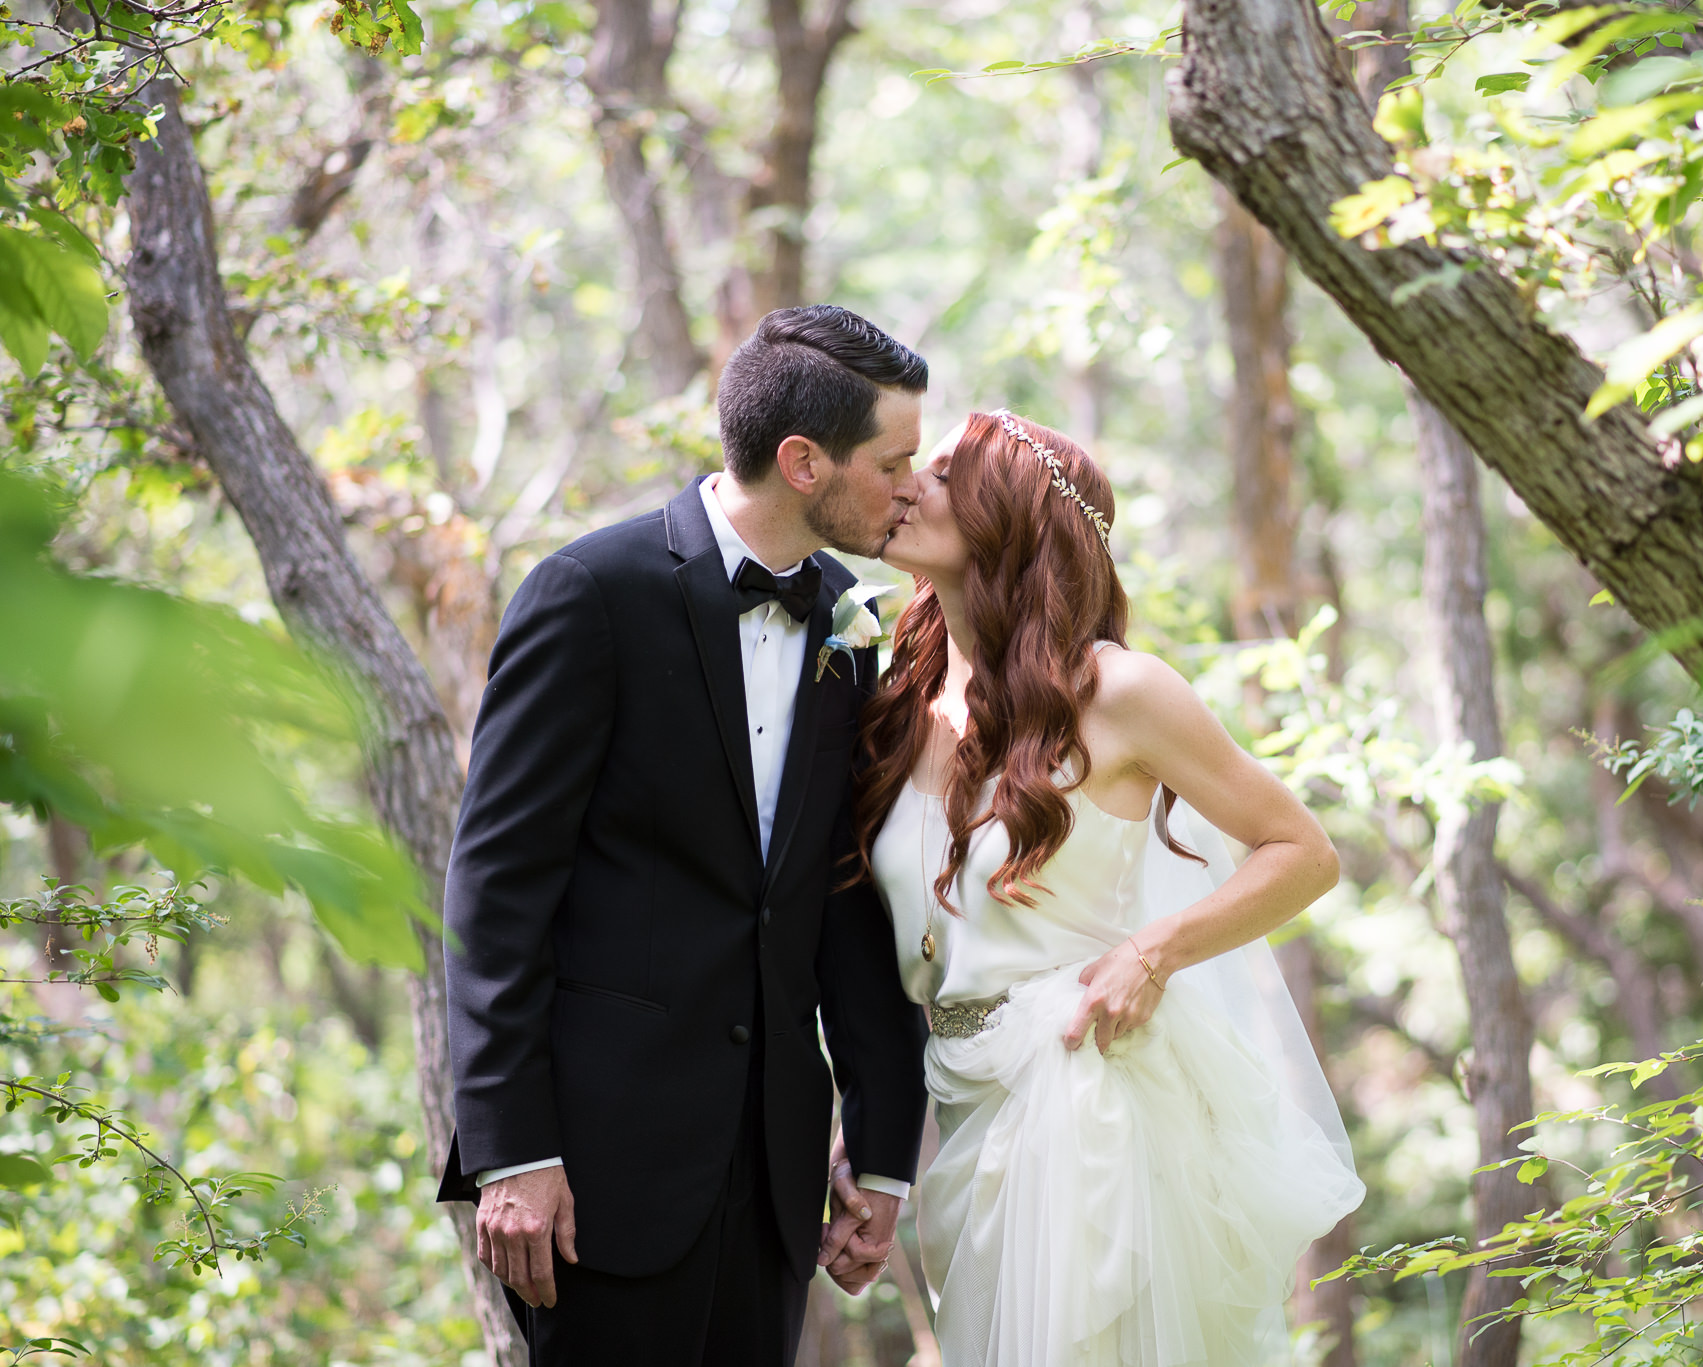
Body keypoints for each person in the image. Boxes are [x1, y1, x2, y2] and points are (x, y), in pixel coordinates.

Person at [437, 305, 932, 1364]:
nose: (909, 487)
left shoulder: (852, 624)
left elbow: (845, 901)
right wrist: (510, 1146)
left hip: (769, 1182)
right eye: (893, 461)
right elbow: (496, 888)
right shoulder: (590, 593)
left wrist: (881, 1150)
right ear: (803, 461)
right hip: (589, 1172)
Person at [844, 408, 1367, 1366]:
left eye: (949, 473)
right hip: (961, 1109)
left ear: (1011, 517)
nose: (911, 483)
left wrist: (1153, 951)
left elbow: (1302, 849)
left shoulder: (1117, 691)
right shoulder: (895, 702)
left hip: (1092, 1097)